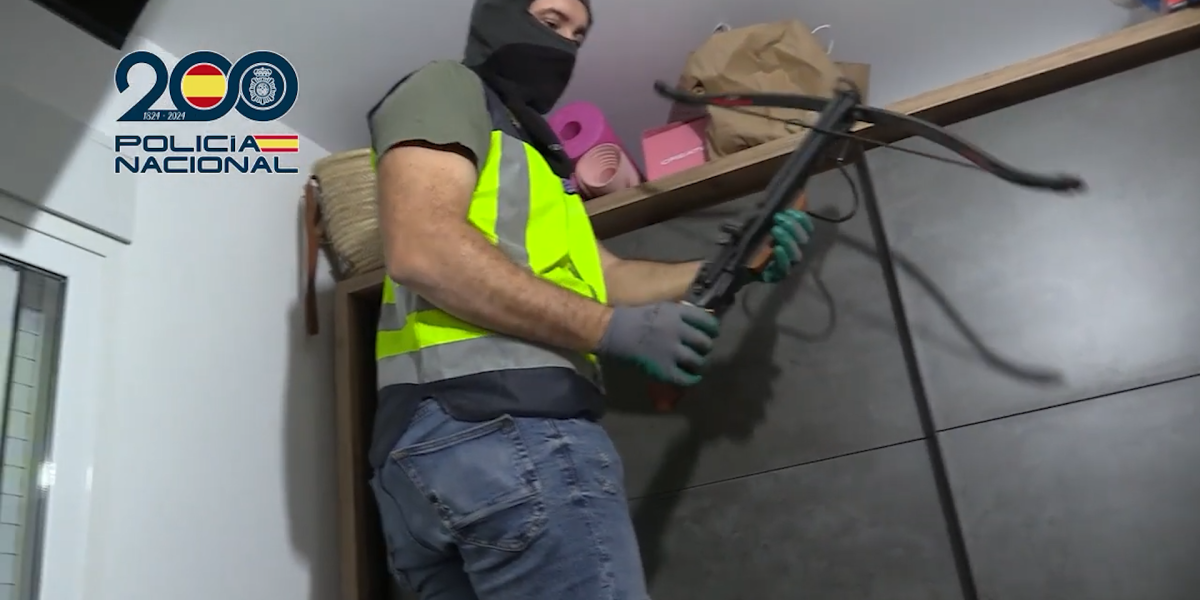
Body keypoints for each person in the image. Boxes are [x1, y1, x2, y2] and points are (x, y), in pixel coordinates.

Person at [365, 0, 815, 597]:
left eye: (578, 37)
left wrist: (731, 266)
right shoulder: (449, 86)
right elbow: (424, 247)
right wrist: (609, 330)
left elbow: (612, 276)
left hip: (435, 460)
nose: (565, 46)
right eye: (552, 21)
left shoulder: (538, 161)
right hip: (502, 425)